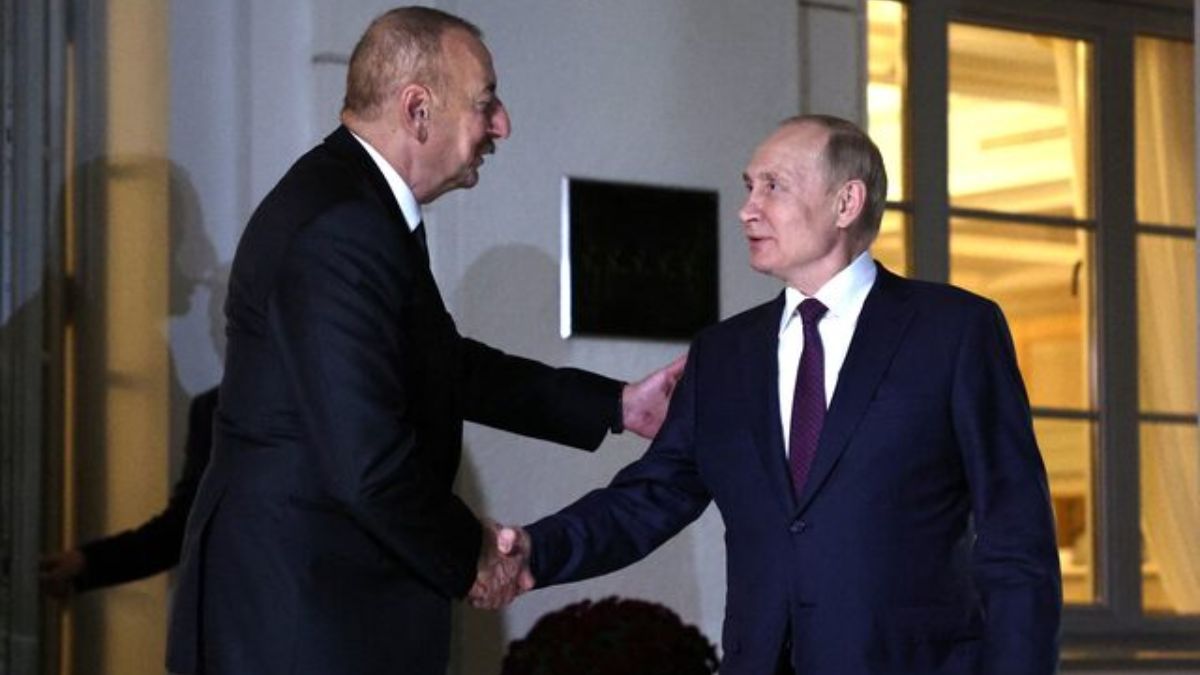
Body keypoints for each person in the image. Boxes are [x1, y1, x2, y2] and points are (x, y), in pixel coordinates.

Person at [164, 7, 683, 675]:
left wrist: (616, 404)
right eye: (486, 101)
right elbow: (367, 460)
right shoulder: (342, 225)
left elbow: (442, 364)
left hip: (316, 602)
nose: (502, 124)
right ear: (417, 111)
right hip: (301, 618)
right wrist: (475, 557)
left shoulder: (355, 205)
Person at [483, 115, 1063, 675]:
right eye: (748, 186)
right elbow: (649, 498)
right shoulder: (723, 354)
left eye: (773, 187)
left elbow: (1018, 540)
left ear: (847, 202)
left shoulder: (954, 331)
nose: (747, 208)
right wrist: (536, 551)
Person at [39, 387, 217, 597]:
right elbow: (182, 527)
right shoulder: (214, 411)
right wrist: (87, 563)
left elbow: (182, 528)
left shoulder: (216, 409)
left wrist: (87, 563)